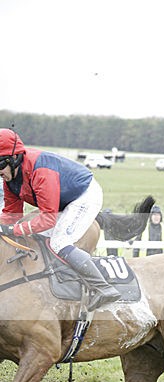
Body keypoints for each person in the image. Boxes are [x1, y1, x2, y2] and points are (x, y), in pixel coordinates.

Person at [0, 128, 121, 311]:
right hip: (62, 200)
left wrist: (14, 230)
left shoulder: (40, 172)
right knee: (34, 235)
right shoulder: (10, 180)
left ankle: (103, 288)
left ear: (12, 159)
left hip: (84, 196)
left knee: (60, 241)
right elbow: (11, 214)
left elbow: (47, 219)